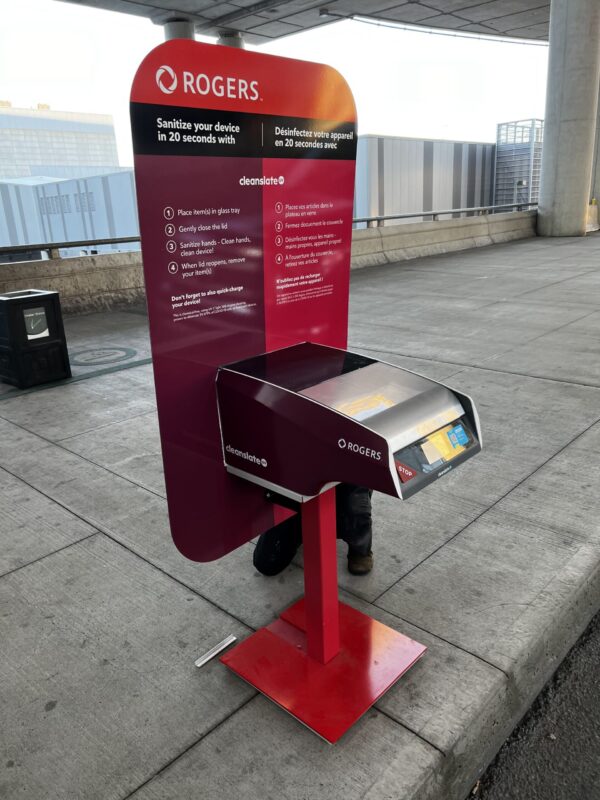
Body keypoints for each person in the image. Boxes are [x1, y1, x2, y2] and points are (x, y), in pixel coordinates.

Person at [253, 484, 373, 577]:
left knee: (353, 504)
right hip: (299, 476)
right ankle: (302, 524)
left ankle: (360, 548)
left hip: (345, 476)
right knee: (267, 563)